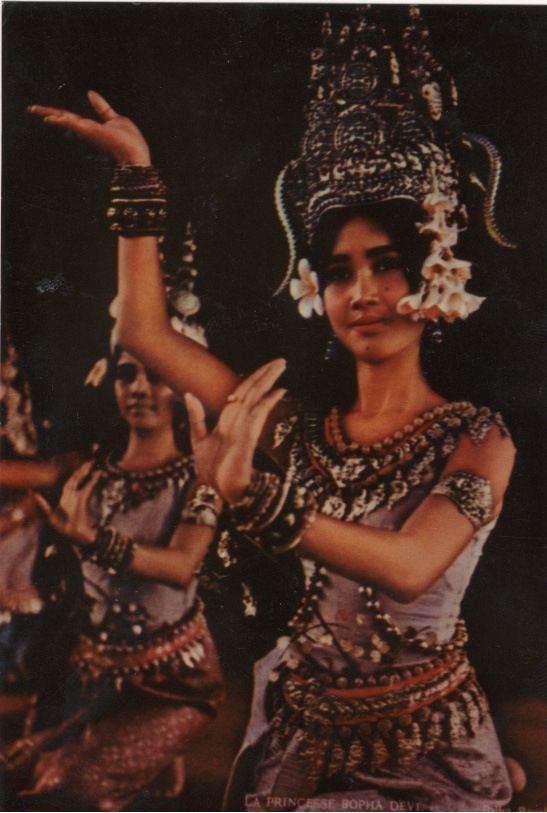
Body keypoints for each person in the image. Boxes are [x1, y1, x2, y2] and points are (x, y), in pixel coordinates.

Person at [27, 8, 521, 810]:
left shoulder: (477, 436)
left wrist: (256, 496)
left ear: (433, 271)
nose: (359, 293)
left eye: (387, 265)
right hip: (297, 735)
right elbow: (144, 332)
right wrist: (137, 174)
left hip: (424, 749)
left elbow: (409, 567)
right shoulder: (296, 426)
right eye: (336, 270)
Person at [2, 347, 225, 811]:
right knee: (17, 771)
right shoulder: (87, 469)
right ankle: (135, 747)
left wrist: (93, 539)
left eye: (158, 376)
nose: (140, 389)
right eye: (127, 375)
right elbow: (25, 472)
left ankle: (153, 740)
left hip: (173, 682)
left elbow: (181, 565)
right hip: (90, 676)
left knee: (72, 788)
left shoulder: (201, 478)